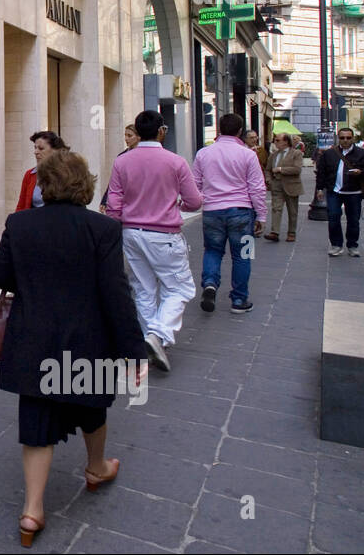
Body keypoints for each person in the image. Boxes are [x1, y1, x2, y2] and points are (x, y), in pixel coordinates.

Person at [0, 149, 148, 547]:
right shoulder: (103, 229)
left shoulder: (20, 223)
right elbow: (116, 293)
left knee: (37, 421)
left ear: (43, 184)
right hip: (87, 339)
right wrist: (134, 349)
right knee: (92, 407)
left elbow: (0, 276)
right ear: (85, 183)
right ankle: (96, 468)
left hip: (34, 339)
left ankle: (32, 512)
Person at [104, 110, 202, 371]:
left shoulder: (122, 161)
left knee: (143, 288)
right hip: (164, 233)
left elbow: (114, 200)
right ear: (161, 131)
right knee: (179, 288)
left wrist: (116, 224)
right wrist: (176, 203)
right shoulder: (175, 162)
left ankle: (147, 341)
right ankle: (158, 335)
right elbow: (194, 201)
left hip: (131, 232)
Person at [191, 113, 267, 314]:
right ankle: (239, 300)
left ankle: (209, 283)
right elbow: (257, 188)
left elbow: (195, 184)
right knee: (244, 255)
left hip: (212, 211)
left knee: (212, 250)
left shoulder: (203, 154)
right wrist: (261, 215)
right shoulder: (248, 154)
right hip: (242, 212)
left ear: (219, 128)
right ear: (240, 131)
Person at [314, 127, 364, 257]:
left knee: (353, 220)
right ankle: (336, 244)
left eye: (348, 138)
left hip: (354, 192)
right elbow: (322, 173)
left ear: (353, 138)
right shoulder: (329, 154)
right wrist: (320, 189)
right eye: (342, 138)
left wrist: (361, 172)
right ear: (338, 138)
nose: (345, 140)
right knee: (333, 218)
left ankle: (352, 245)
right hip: (334, 192)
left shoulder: (361, 154)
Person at [263, 133, 304, 242]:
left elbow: (297, 169)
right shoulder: (273, 155)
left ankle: (291, 233)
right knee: (276, 208)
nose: (275, 142)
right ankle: (274, 232)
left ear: (286, 142)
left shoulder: (296, 153)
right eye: (275, 140)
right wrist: (269, 180)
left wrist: (281, 169)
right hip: (276, 184)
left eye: (277, 140)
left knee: (292, 210)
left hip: (291, 185)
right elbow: (267, 169)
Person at [16, 130, 68, 211]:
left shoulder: (67, 173)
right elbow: (21, 205)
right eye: (35, 148)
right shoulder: (29, 174)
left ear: (55, 151)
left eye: (41, 148)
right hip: (33, 221)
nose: (35, 152)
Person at [99, 123, 139, 211]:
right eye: (125, 135)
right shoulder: (121, 156)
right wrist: (105, 200)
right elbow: (114, 180)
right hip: (124, 200)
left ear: (138, 137)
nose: (126, 139)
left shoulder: (144, 155)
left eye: (129, 136)